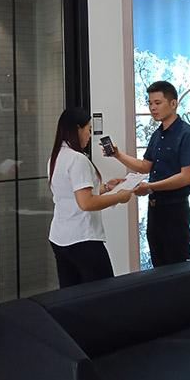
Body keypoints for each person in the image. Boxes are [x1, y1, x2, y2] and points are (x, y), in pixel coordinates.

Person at [108, 81, 190, 267]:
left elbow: (186, 177)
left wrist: (150, 187)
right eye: (150, 103)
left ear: (173, 103)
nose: (152, 108)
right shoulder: (157, 135)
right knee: (158, 263)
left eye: (157, 103)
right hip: (155, 209)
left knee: (177, 265)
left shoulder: (187, 135)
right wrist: (117, 155)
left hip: (175, 209)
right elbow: (145, 166)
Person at [48, 108, 132, 288]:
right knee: (103, 293)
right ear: (78, 128)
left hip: (60, 237)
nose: (90, 135)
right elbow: (86, 203)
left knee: (72, 296)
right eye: (89, 129)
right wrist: (118, 197)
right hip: (82, 238)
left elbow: (73, 194)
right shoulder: (77, 159)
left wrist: (106, 187)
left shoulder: (56, 157)